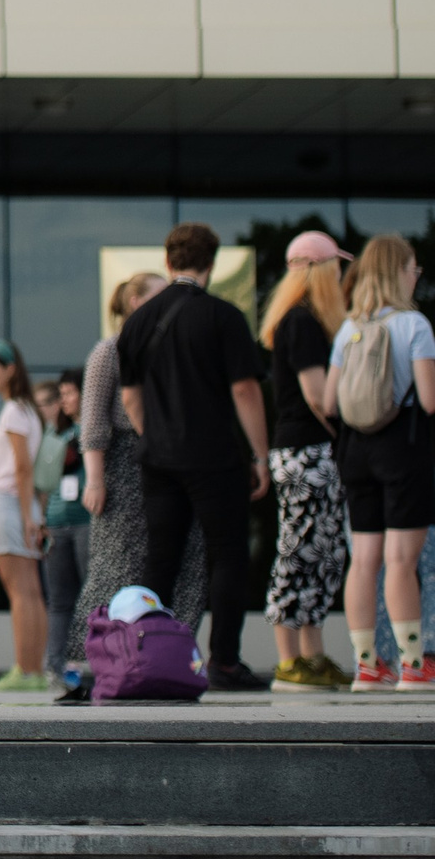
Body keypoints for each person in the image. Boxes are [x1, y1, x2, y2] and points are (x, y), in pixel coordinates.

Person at [118, 222, 270, 691]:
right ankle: (224, 660)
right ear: (212, 263)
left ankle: (148, 656)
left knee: (160, 559)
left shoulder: (138, 320)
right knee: (227, 555)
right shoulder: (223, 316)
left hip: (159, 459)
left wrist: (156, 435)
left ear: (168, 261)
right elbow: (244, 389)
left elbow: (130, 397)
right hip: (214, 455)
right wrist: (260, 455)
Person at [71, 271, 203, 688]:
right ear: (135, 303)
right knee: (117, 565)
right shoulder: (109, 351)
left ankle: (167, 654)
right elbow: (92, 424)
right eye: (159, 296)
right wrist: (95, 479)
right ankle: (96, 659)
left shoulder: (174, 349)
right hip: (124, 467)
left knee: (185, 562)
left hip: (172, 462)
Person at [326, 235, 435, 690]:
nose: (418, 273)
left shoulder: (348, 328)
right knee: (401, 559)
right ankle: (413, 664)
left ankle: (367, 666)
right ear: (398, 272)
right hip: (403, 447)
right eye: (413, 267)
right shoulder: (415, 325)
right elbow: (429, 401)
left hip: (356, 452)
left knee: (365, 558)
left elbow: (330, 401)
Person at [260, 231, 350, 691]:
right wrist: (346, 433)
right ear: (321, 270)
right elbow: (318, 396)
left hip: (307, 451)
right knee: (299, 550)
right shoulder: (303, 322)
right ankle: (288, 659)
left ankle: (311, 657)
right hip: (305, 451)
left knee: (324, 552)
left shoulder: (301, 320)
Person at [0, 339, 49, 693]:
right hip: (20, 505)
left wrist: (26, 516)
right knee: (31, 592)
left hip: (9, 504)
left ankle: (24, 670)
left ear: (10, 370)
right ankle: (33, 673)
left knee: (20, 592)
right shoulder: (25, 410)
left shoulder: (13, 412)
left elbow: (22, 468)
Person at [36, 367, 90, 686]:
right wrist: (41, 520)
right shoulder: (56, 434)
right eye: (62, 394)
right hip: (56, 522)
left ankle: (87, 663)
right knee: (58, 600)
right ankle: (54, 666)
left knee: (88, 594)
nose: (65, 400)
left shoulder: (96, 431)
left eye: (71, 393)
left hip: (87, 521)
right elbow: (43, 483)